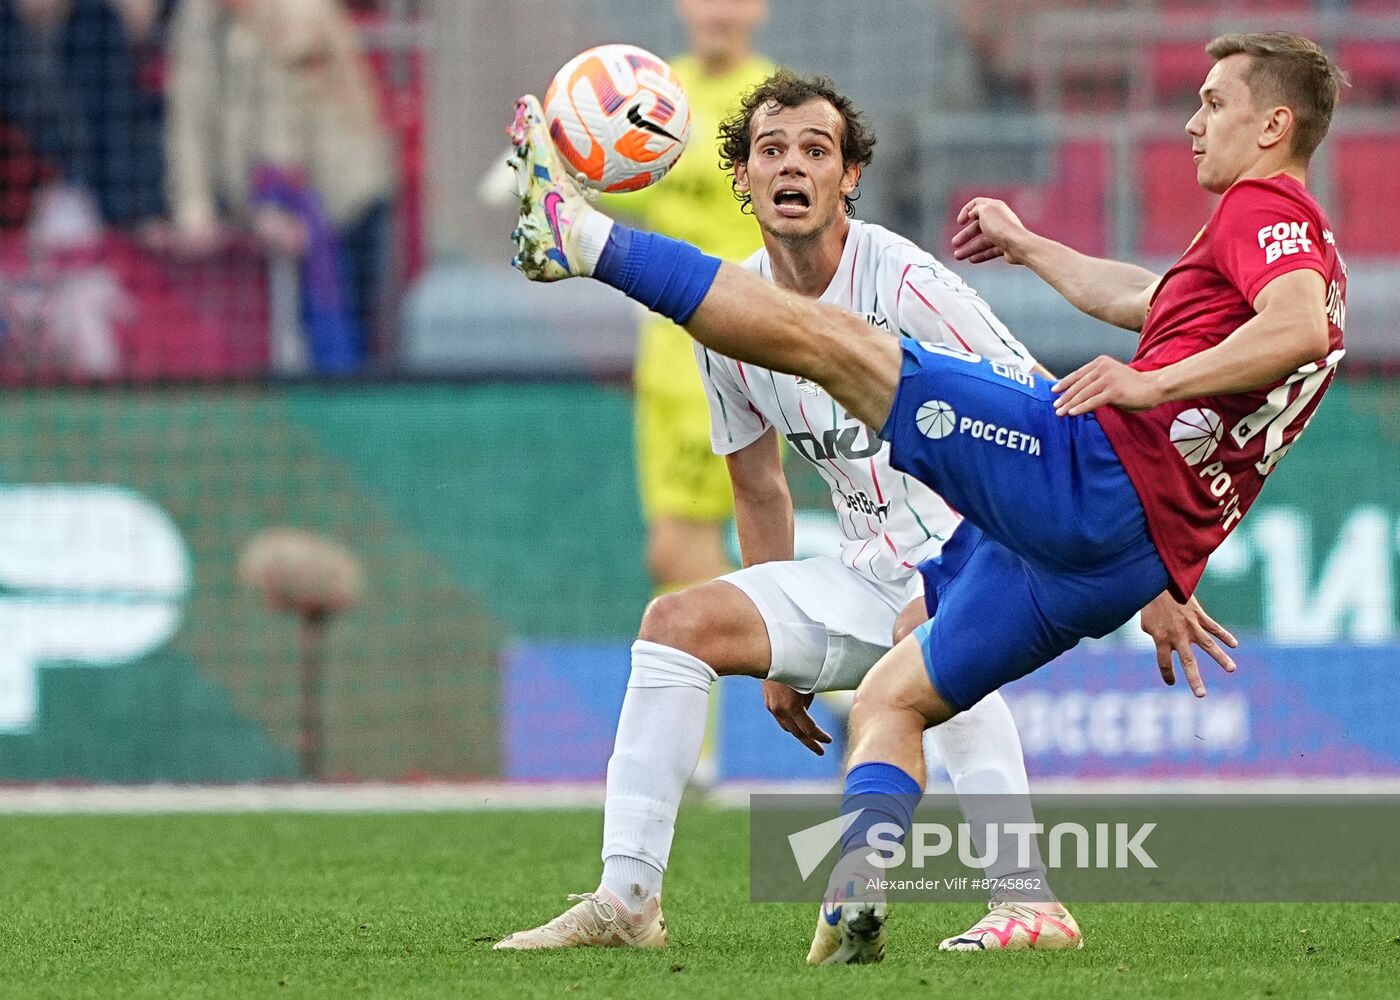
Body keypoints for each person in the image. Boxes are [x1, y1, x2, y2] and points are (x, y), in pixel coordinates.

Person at [506, 28, 1341, 964]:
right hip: (1053, 543)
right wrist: (1032, 248)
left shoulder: (1256, 211)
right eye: (771, 151)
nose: (1192, 122)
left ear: (850, 177)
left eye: (815, 151)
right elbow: (1156, 304)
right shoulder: (730, 317)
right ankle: (693, 896)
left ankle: (581, 237)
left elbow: (1073, 387)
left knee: (835, 349)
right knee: (819, 673)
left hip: (1002, 514)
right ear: (741, 178)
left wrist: (1147, 395)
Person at [617, 0, 774, 592]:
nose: (718, 10)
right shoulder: (651, 90)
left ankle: (850, 681)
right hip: (661, 355)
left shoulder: (776, 104)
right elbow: (627, 184)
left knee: (683, 553)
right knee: (673, 567)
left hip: (732, 352)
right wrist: (561, 162)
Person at [163, 0, 396, 371]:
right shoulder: (198, 16)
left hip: (345, 195)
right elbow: (190, 113)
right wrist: (194, 205)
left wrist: (278, 203)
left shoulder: (299, 11)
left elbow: (284, 116)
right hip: (269, 205)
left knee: (355, 341)